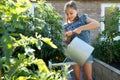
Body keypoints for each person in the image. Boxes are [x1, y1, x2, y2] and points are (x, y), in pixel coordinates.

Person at [62, 1, 100, 80]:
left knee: (88, 77)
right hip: (74, 51)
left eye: (71, 13)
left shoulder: (83, 19)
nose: (69, 16)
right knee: (78, 78)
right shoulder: (66, 26)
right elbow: (67, 42)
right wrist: (68, 37)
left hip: (84, 50)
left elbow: (97, 24)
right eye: (67, 14)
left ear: (77, 11)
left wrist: (80, 28)